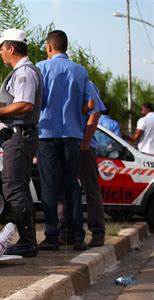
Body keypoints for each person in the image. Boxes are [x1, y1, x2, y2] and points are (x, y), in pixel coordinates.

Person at [0, 29, 42, 257]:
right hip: (18, 136)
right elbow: (11, 100)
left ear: (11, 48)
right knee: (17, 186)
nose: (1, 52)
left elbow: (24, 105)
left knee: (13, 187)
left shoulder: (24, 73)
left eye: (2, 47)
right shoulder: (21, 72)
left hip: (19, 136)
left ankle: (28, 242)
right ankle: (28, 241)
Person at [36, 30, 91, 251]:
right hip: (72, 135)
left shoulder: (41, 68)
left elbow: (34, 101)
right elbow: (92, 105)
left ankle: (51, 236)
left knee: (49, 186)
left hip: (46, 134)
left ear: (49, 47)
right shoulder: (80, 71)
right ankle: (77, 237)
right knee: (72, 186)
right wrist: (74, 111)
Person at [59, 81, 106, 247]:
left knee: (90, 189)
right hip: (67, 144)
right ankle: (67, 231)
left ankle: (98, 232)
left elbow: (95, 112)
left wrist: (85, 144)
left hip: (84, 146)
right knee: (66, 192)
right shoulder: (64, 86)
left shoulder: (85, 83)